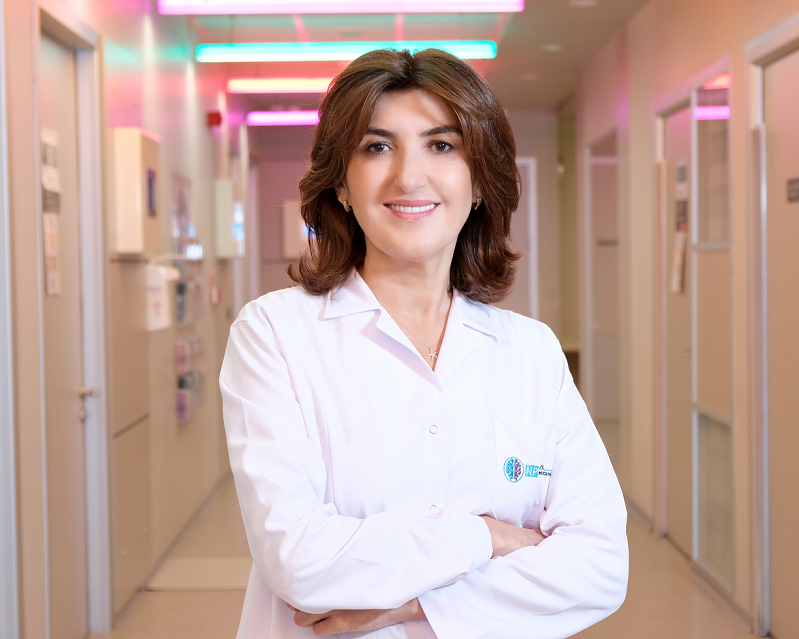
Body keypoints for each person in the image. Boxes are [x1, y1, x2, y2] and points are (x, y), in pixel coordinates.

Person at [219, 48, 628, 639]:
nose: (409, 177)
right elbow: (300, 563)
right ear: (341, 184)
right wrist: (488, 535)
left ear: (479, 182)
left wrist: (416, 604)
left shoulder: (531, 352)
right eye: (376, 147)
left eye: (441, 145)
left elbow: (600, 568)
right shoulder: (275, 334)